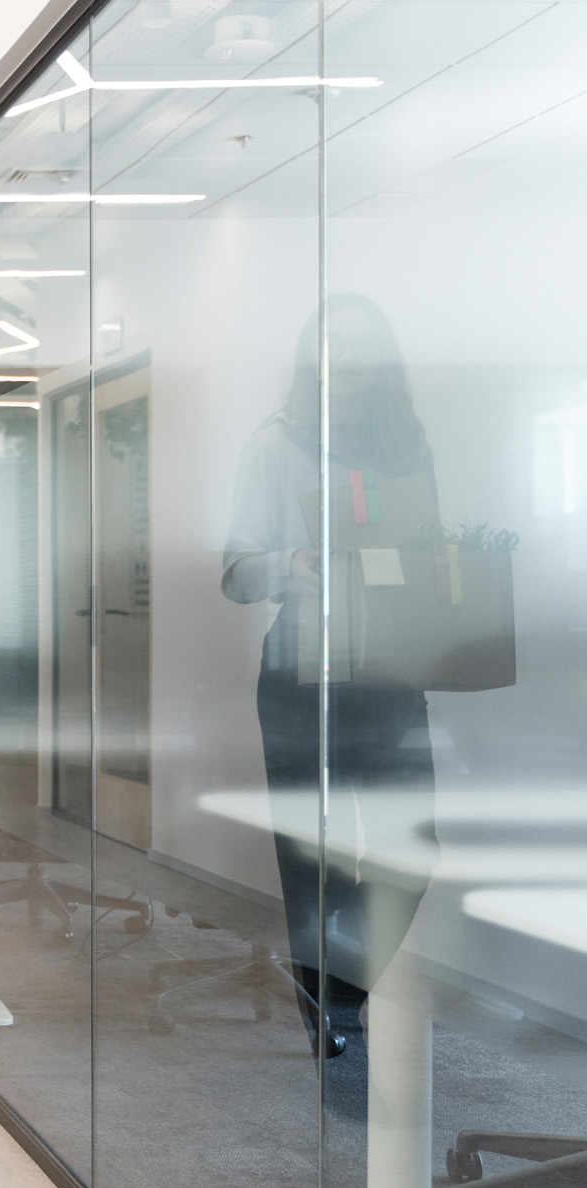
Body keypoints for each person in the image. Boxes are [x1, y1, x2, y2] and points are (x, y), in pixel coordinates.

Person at [222, 294, 441, 1058]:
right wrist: (291, 564)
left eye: (356, 344)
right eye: (329, 345)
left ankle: (340, 989)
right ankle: (329, 1013)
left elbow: (428, 551)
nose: (342, 358)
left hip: (388, 672)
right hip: (301, 673)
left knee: (411, 851)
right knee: (312, 856)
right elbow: (233, 571)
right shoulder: (274, 446)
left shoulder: (405, 445)